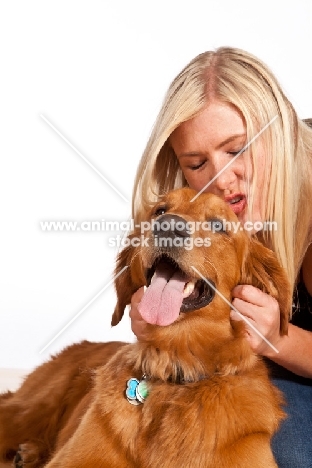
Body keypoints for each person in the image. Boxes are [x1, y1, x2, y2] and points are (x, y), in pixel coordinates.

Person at [128, 47, 312, 467]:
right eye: (197, 162)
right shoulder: (196, 211)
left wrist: (282, 341)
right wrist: (158, 300)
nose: (221, 178)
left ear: (280, 128)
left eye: (238, 149)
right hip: (254, 373)